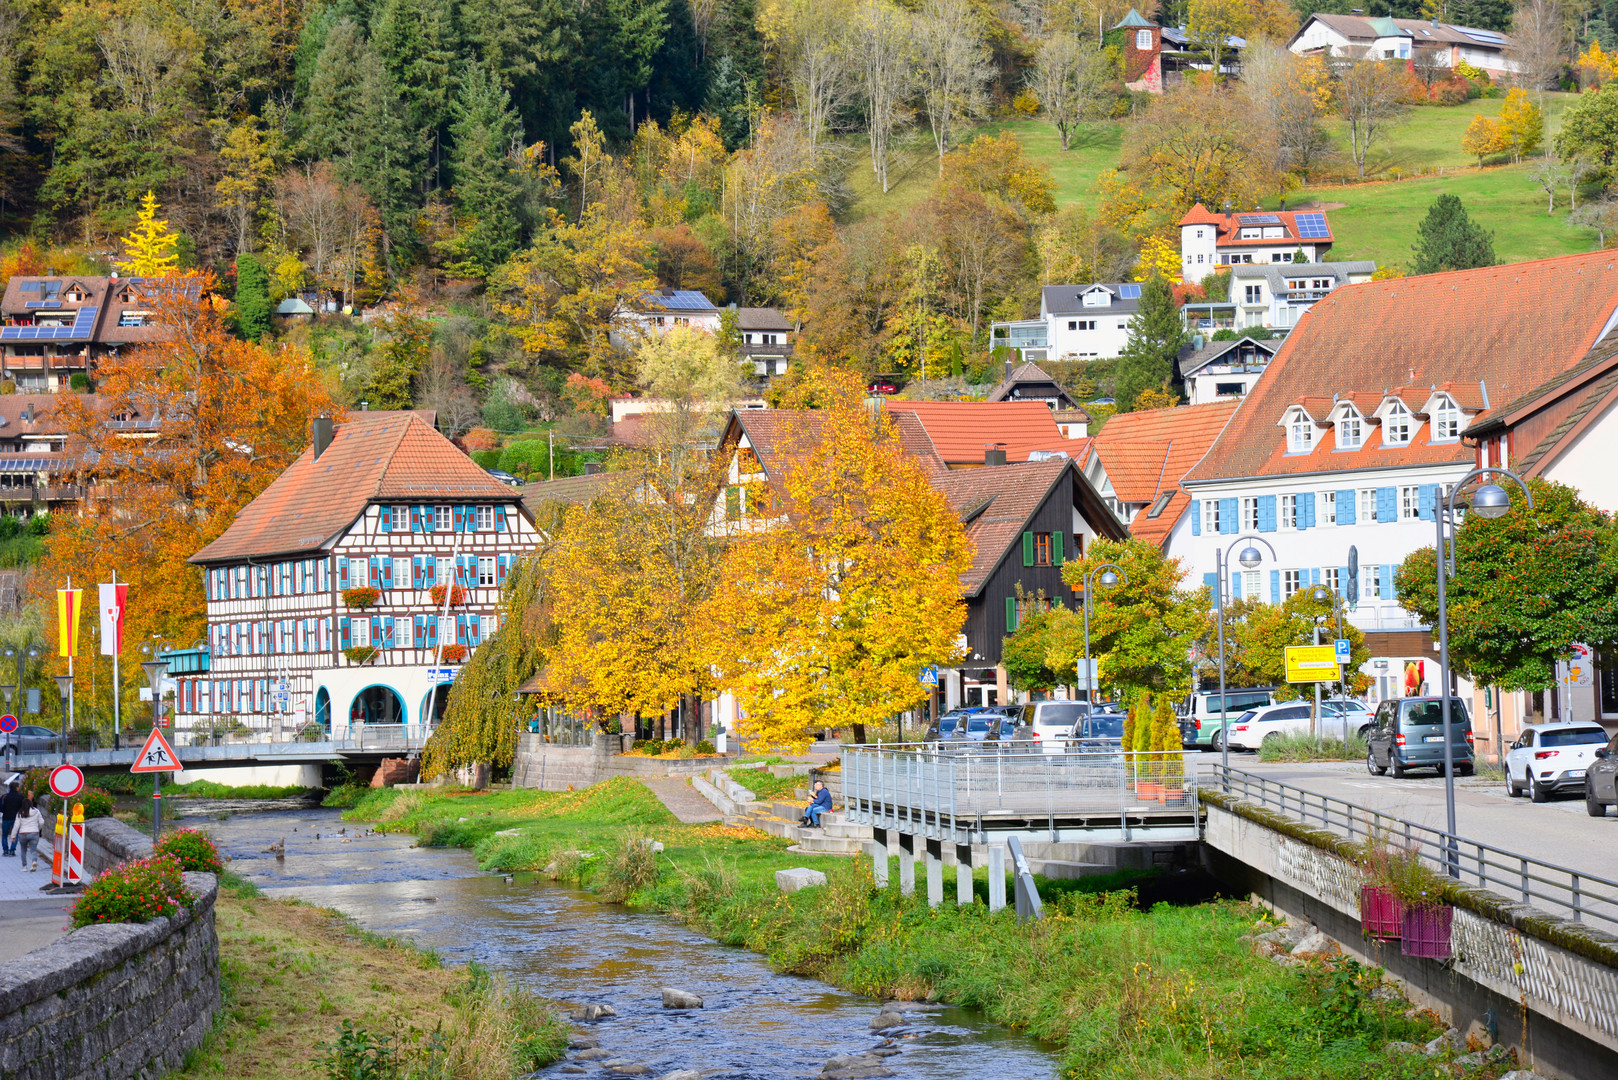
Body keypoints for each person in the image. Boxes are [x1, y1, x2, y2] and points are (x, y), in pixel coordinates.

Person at [9, 794, 44, 871]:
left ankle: (24, 867)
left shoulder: (20, 813)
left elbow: (16, 826)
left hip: (23, 834)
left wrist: (13, 836)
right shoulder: (36, 811)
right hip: (34, 832)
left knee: (23, 850)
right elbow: (42, 822)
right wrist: (38, 828)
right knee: (33, 849)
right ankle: (34, 861)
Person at [1, 779, 24, 857]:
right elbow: (22, 807)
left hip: (6, 817)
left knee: (4, 835)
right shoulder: (20, 797)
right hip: (16, 818)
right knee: (15, 834)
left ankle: (5, 850)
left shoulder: (4, 796)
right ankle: (12, 850)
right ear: (16, 788)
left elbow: (0, 807)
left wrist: (5, 811)